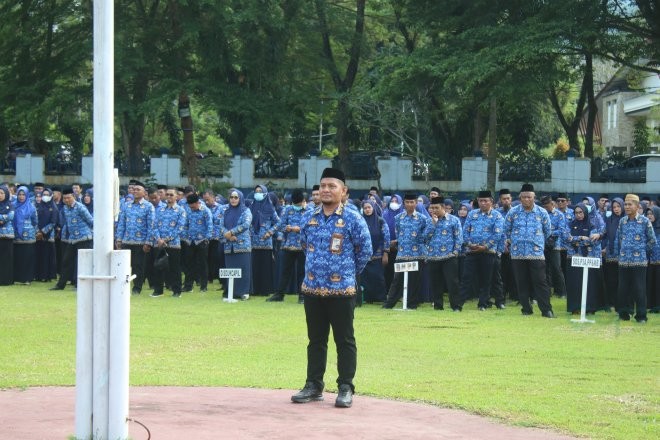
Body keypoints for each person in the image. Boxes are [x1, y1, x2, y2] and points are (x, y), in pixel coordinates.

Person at [291, 168, 372, 409]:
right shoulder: (309, 216)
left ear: (344, 191)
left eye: (332, 186)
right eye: (323, 185)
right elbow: (304, 245)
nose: (326, 190)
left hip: (342, 290)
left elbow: (365, 250)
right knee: (315, 340)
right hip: (313, 288)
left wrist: (346, 272)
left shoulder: (353, 218)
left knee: (344, 339)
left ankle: (345, 386)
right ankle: (313, 385)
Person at [503, 184, 554, 318]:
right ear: (520, 198)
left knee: (540, 282)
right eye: (524, 197)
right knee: (521, 282)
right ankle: (526, 308)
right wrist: (512, 240)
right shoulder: (513, 212)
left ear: (534, 197)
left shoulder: (542, 212)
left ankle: (546, 310)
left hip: (536, 253)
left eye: (529, 197)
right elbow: (506, 229)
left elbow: (547, 231)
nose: (526, 200)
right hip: (517, 253)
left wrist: (537, 241)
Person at [613, 194, 656, 322]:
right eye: (625, 204)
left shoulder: (644, 221)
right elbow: (619, 239)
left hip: (639, 262)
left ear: (637, 206)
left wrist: (642, 250)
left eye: (629, 204)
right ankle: (623, 314)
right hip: (624, 261)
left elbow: (652, 241)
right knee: (623, 289)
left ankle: (641, 316)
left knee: (639, 289)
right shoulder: (622, 221)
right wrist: (620, 253)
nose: (626, 207)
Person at [459, 190, 504, 311]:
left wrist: (485, 246)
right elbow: (465, 231)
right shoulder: (472, 214)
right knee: (466, 278)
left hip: (488, 252)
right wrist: (470, 244)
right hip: (472, 251)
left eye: (485, 201)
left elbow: (497, 234)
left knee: (487, 279)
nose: (483, 203)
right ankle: (458, 305)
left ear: (491, 202)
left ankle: (483, 303)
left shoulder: (497, 216)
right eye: (480, 201)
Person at [382, 194, 428, 309]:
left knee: (414, 281)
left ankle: (411, 304)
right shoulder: (398, 218)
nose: (409, 204)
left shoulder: (423, 219)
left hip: (417, 254)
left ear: (416, 203)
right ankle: (389, 304)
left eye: (412, 202)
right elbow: (399, 234)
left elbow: (425, 236)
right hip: (402, 253)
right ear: (404, 203)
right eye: (407, 202)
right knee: (397, 280)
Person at [267, 189, 308, 303]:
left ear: (303, 201)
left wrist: (298, 229)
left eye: (298, 204)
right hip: (288, 246)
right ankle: (279, 294)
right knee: (284, 271)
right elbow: (281, 224)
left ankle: (302, 295)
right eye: (294, 204)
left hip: (303, 247)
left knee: (302, 272)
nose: (296, 206)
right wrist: (286, 228)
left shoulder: (309, 210)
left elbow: (311, 227)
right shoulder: (287, 209)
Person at [115, 180, 155, 295]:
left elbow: (151, 225)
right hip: (126, 240)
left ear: (144, 193)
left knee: (138, 265)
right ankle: (123, 286)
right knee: (124, 265)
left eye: (138, 190)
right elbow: (121, 223)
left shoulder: (148, 206)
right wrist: (119, 239)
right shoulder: (126, 205)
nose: (135, 192)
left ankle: (137, 287)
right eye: (134, 189)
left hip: (140, 242)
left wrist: (148, 242)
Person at [50, 188, 93, 290]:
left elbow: (91, 221)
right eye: (65, 198)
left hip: (84, 238)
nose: (67, 200)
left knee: (82, 263)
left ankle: (80, 285)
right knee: (66, 261)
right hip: (72, 239)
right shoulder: (65, 208)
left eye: (69, 198)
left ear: (73, 197)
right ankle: (60, 285)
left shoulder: (80, 207)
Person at [424, 197, 462, 311]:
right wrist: (433, 224)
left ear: (443, 208)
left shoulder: (454, 220)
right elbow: (425, 238)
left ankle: (456, 306)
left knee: (452, 282)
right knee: (435, 283)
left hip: (449, 256)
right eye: (432, 208)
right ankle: (438, 305)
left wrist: (455, 252)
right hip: (433, 256)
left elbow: (458, 237)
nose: (434, 210)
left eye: (436, 208)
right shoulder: (428, 221)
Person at [565, 203, 602, 314]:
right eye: (576, 212)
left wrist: (575, 241)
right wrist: (581, 237)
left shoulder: (591, 224)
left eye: (581, 212)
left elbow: (592, 240)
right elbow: (567, 238)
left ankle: (589, 308)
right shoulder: (570, 224)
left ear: (585, 212)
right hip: (574, 258)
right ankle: (575, 307)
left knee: (589, 283)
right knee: (574, 282)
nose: (578, 215)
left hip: (588, 258)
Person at [150, 187, 187, 297]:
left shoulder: (181, 211)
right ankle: (158, 290)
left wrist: (166, 239)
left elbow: (179, 228)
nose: (169, 197)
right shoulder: (160, 210)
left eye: (172, 195)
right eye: (168, 195)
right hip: (160, 243)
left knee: (174, 269)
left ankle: (176, 291)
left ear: (176, 197)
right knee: (158, 267)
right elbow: (154, 226)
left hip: (173, 244)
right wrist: (159, 239)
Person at [218, 189, 253, 300]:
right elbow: (220, 225)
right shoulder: (226, 211)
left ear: (240, 198)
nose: (233, 199)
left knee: (243, 269)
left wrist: (231, 232)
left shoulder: (245, 210)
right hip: (229, 245)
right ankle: (231, 292)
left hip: (241, 244)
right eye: (231, 197)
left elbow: (246, 224)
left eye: (236, 197)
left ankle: (243, 292)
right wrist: (226, 234)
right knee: (231, 269)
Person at [249, 185, 280, 296]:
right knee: (254, 266)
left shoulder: (270, 208)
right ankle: (254, 289)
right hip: (253, 242)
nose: (257, 193)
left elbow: (278, 223)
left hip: (266, 242)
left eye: (260, 191)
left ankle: (265, 290)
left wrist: (270, 232)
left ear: (265, 193)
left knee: (265, 267)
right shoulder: (251, 207)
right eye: (256, 191)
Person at [358, 199, 390, 303]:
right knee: (365, 277)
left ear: (373, 208)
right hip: (363, 255)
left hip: (378, 254)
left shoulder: (380, 221)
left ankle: (380, 298)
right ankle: (367, 298)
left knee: (378, 277)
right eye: (365, 208)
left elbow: (386, 237)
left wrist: (385, 253)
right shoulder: (360, 221)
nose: (367, 210)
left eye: (369, 207)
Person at [182, 193, 213, 292]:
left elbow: (209, 226)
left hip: (202, 241)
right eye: (190, 206)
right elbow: (186, 225)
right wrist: (186, 237)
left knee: (202, 264)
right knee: (189, 264)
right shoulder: (188, 211)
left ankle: (203, 286)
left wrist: (207, 239)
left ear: (197, 202)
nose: (191, 207)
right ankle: (188, 286)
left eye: (193, 205)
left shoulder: (205, 211)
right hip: (190, 241)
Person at [541, 195, 568, 299]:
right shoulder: (542, 214)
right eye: (544, 206)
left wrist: (549, 233)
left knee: (557, 268)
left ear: (552, 204)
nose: (545, 208)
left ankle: (562, 292)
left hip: (555, 245)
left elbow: (561, 230)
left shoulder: (559, 215)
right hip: (543, 245)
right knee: (545, 269)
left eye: (547, 206)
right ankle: (547, 291)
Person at [12, 185, 38, 285]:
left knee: (27, 258)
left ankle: (27, 279)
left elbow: (35, 222)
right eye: (19, 194)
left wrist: (32, 231)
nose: (21, 196)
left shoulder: (31, 207)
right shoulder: (13, 205)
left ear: (27, 195)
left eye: (23, 194)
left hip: (28, 237)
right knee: (17, 257)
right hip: (16, 236)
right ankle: (17, 278)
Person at [602, 197, 624, 311]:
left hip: (624, 256)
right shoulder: (609, 220)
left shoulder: (626, 219)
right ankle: (611, 303)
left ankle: (621, 304)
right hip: (610, 254)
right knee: (611, 280)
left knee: (622, 281)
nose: (616, 209)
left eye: (618, 206)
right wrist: (604, 247)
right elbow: (605, 234)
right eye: (614, 207)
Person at [35, 188, 59, 282]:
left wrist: (43, 232)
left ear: (51, 195)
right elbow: (35, 220)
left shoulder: (54, 208)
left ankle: (47, 276)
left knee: (47, 256)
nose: (45, 196)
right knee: (39, 256)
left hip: (49, 236)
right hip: (38, 236)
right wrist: (37, 231)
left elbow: (53, 223)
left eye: (47, 194)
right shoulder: (38, 206)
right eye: (43, 194)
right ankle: (39, 276)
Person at [645, 206, 660, 313]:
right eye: (648, 214)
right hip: (649, 260)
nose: (650, 216)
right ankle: (650, 305)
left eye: (652, 214)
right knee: (650, 282)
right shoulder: (646, 228)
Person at [0, 184, 15, 285]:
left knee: (6, 258)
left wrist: (1, 219)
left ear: (6, 193)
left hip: (7, 236)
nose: (0, 195)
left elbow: (10, 216)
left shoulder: (10, 204)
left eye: (1, 193)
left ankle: (6, 280)